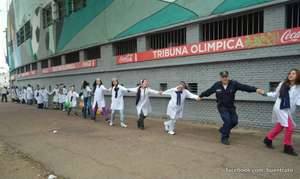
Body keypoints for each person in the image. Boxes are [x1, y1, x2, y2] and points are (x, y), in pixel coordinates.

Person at [199, 71, 265, 145]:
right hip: (222, 107)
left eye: (226, 76)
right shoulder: (217, 85)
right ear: (220, 78)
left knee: (234, 121)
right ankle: (224, 138)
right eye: (223, 77)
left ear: (228, 77)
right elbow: (209, 91)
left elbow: (244, 87)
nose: (224, 78)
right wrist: (201, 96)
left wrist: (256, 89)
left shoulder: (234, 84)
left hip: (231, 107)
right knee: (227, 121)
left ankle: (223, 129)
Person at [263, 69, 300, 156]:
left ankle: (268, 139)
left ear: (297, 76)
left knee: (280, 126)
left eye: (293, 73)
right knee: (289, 127)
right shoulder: (283, 84)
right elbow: (276, 94)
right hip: (280, 107)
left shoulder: (298, 87)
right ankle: (287, 147)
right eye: (290, 73)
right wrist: (265, 94)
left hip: (288, 109)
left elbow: (298, 100)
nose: (291, 75)